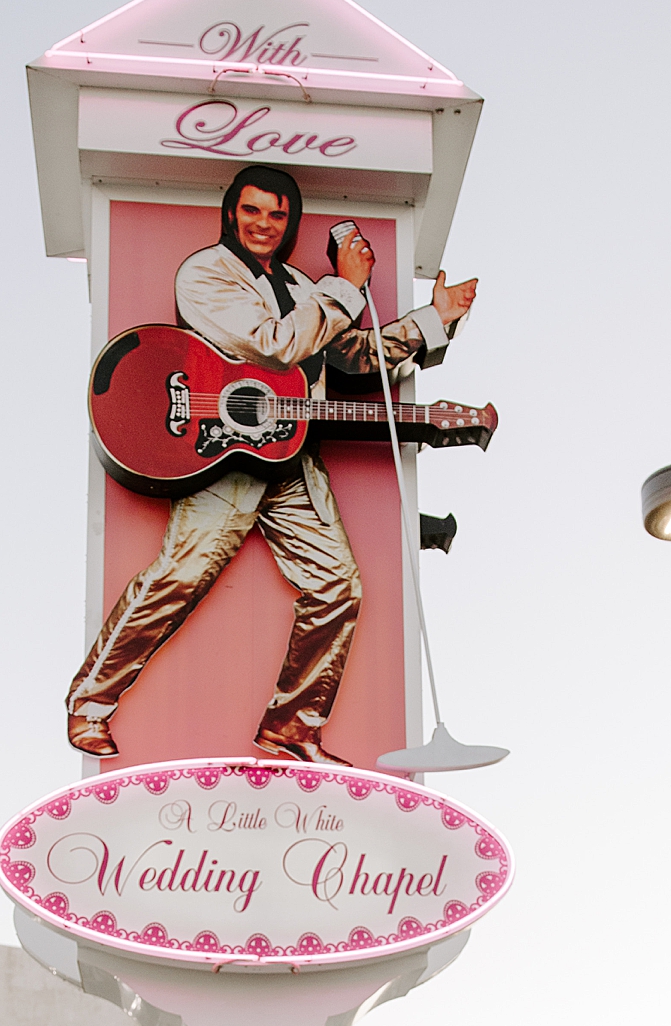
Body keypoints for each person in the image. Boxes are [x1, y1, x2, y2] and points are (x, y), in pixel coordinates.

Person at [67, 164, 477, 763]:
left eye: (277, 214)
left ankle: (292, 730)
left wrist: (436, 319)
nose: (263, 224)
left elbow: (355, 358)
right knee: (178, 580)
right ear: (232, 211)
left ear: (291, 224)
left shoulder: (299, 285)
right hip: (218, 452)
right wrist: (346, 286)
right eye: (252, 210)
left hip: (289, 457)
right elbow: (271, 344)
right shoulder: (204, 272)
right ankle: (91, 701)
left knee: (338, 586)